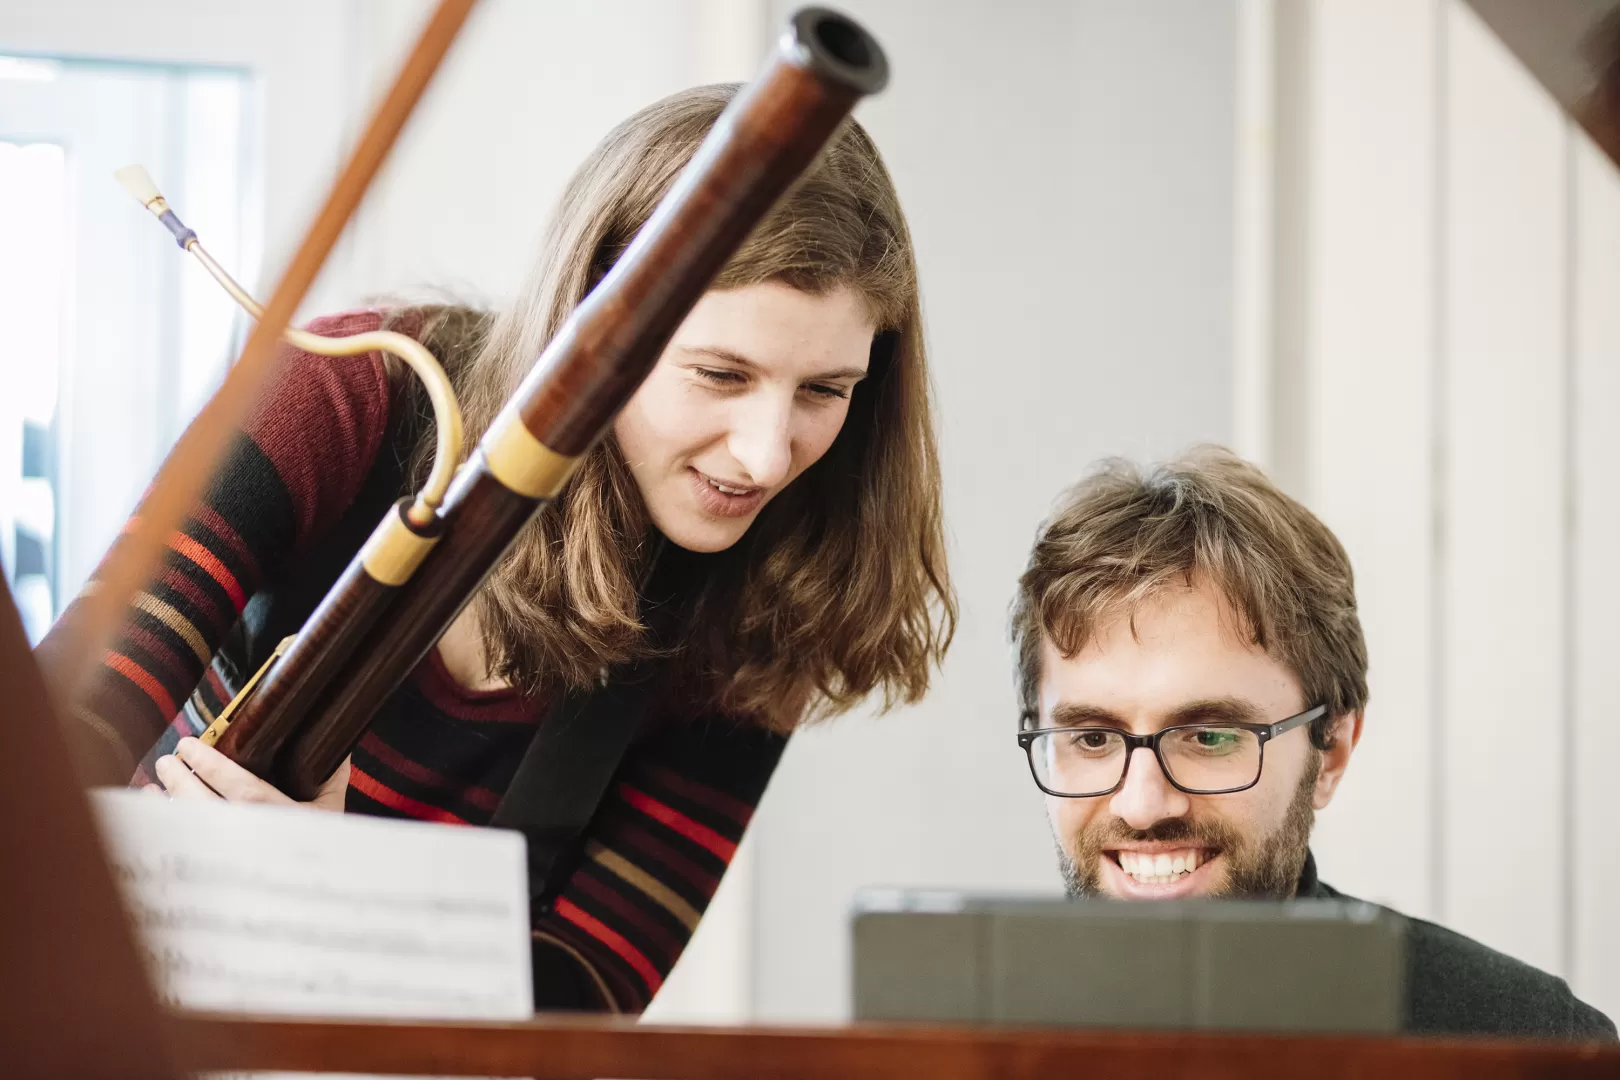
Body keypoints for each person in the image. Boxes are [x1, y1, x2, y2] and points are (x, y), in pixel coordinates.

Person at [69, 83, 956, 1013]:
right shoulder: (344, 397)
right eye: (720, 375)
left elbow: (581, 1003)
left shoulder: (776, 587)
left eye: (825, 390)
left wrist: (329, 890)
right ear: (595, 321)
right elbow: (62, 740)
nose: (768, 455)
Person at [1008, 447, 1614, 1040]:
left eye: (1210, 735)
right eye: (1092, 738)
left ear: (1330, 752)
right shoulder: (938, 1039)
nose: (1142, 805)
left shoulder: (1525, 1044)